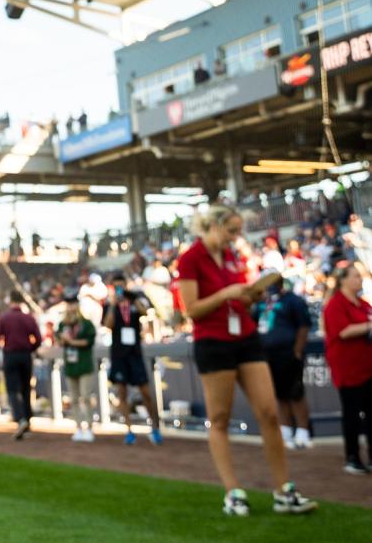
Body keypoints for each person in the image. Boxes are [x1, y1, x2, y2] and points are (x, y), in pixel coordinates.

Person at [176, 206, 316, 516]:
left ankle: (283, 490)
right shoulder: (190, 258)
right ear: (213, 226)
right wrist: (227, 293)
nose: (235, 237)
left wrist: (249, 294)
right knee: (221, 418)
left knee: (268, 412)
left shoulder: (233, 257)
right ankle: (233, 492)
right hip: (213, 342)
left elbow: (240, 295)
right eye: (231, 230)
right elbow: (192, 310)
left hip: (246, 337)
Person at [322, 263, 372, 474]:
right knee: (352, 415)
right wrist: (368, 327)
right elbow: (343, 332)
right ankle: (352, 457)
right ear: (343, 280)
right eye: (355, 276)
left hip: (367, 367)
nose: (359, 280)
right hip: (348, 369)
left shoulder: (362, 304)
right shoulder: (335, 304)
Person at [103, 273, 162, 446]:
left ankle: (155, 427)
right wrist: (114, 304)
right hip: (119, 355)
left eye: (122, 286)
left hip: (135, 353)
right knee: (122, 394)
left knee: (145, 392)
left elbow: (145, 313)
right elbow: (107, 325)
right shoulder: (110, 304)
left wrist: (133, 299)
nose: (120, 289)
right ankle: (129, 430)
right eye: (117, 286)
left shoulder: (135, 300)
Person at [253, 279, 312, 449]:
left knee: (295, 393)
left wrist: (297, 351)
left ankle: (302, 431)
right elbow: (254, 321)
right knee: (278, 394)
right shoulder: (262, 302)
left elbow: (303, 326)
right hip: (267, 354)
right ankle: (285, 430)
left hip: (288, 352)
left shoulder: (293, 300)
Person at [0, 291, 41, 440]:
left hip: (10, 356)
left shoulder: (4, 318)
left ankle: (20, 419)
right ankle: (27, 421)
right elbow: (38, 339)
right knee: (26, 389)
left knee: (13, 390)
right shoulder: (28, 318)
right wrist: (29, 349)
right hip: (25, 356)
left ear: (10, 301)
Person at [58, 291, 96, 442]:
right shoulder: (63, 324)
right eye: (68, 304)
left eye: (73, 303)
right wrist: (63, 339)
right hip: (71, 365)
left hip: (84, 364)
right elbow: (60, 341)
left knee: (85, 397)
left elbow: (88, 342)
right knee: (73, 398)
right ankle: (79, 427)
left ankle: (90, 427)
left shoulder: (86, 324)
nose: (71, 307)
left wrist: (71, 341)